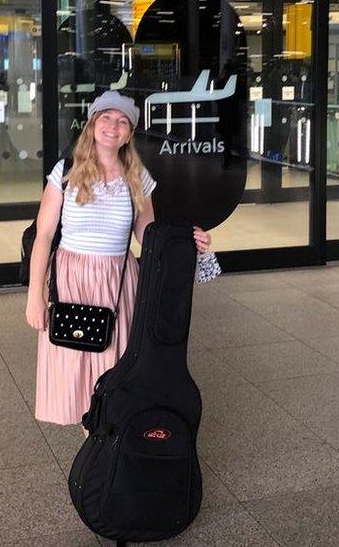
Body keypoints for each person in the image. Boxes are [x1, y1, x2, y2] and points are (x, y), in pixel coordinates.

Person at [26, 91, 212, 427]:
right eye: (106, 117)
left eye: (122, 121)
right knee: (74, 363)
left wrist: (188, 241)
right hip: (72, 280)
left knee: (116, 368)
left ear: (129, 133)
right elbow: (43, 236)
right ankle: (93, 451)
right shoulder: (65, 171)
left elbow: (148, 237)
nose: (113, 126)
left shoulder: (137, 178)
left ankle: (102, 444)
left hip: (117, 282)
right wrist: (34, 298)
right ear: (93, 122)